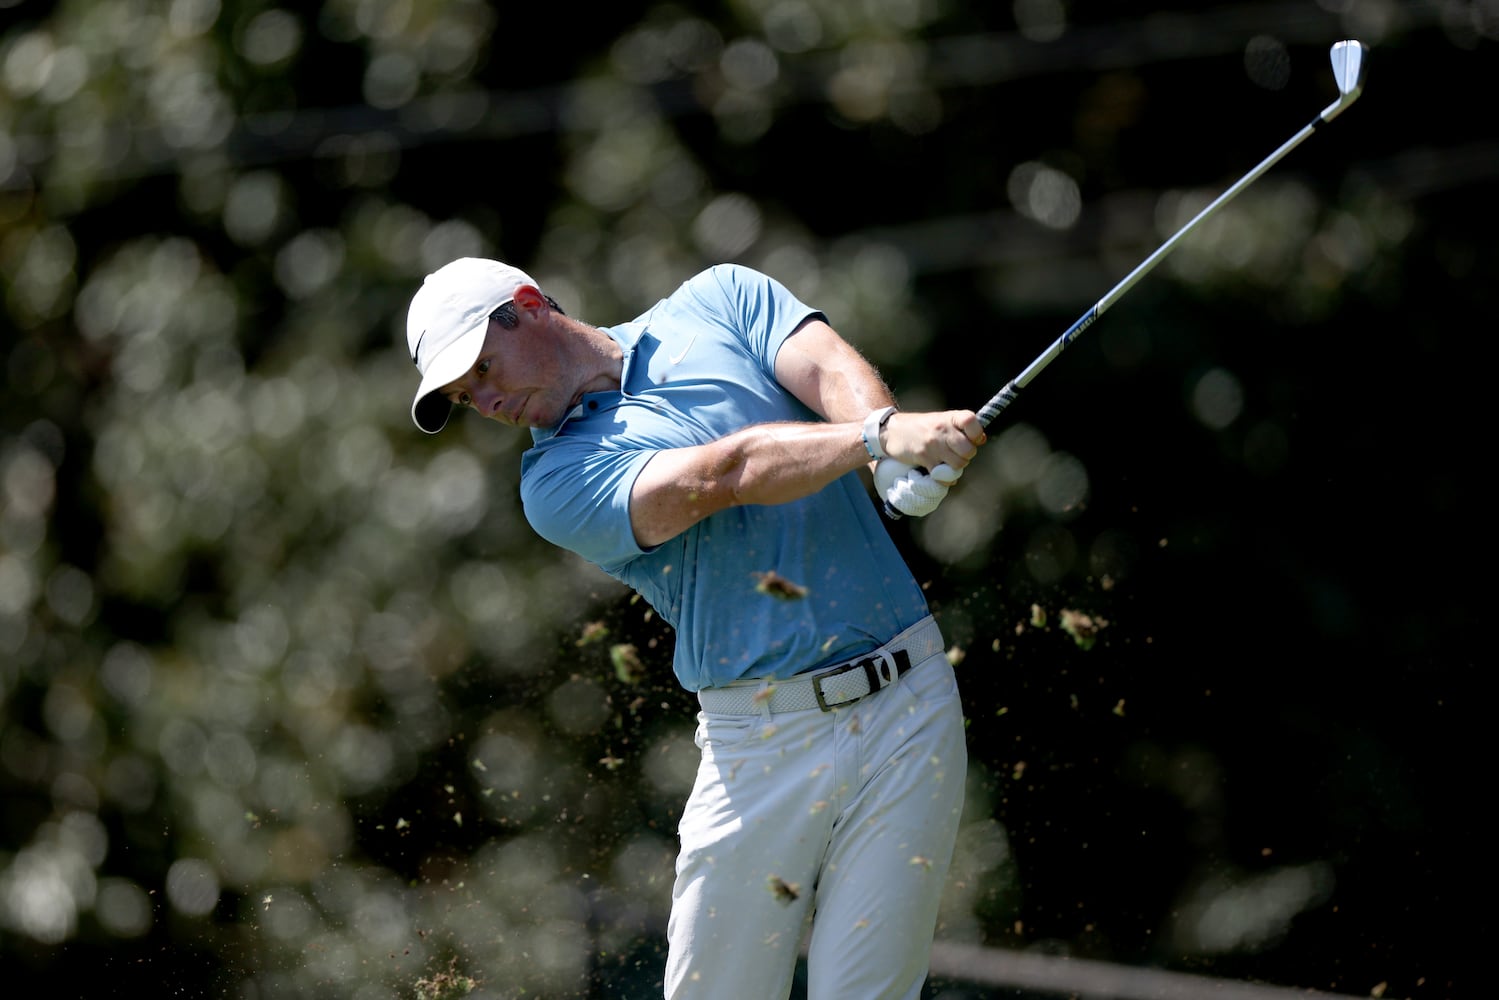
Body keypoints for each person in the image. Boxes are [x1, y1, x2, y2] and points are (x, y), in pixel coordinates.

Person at [404, 257, 987, 999]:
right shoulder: (554, 483)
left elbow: (829, 369)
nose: (485, 402)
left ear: (529, 304)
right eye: (465, 396)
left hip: (909, 705)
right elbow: (725, 475)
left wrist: (887, 444)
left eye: (483, 369)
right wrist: (876, 441)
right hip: (761, 746)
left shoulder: (720, 300)